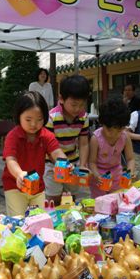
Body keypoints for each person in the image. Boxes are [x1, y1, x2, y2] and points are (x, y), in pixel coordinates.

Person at [2, 91, 68, 216]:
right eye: (28, 119)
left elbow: (56, 152)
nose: (33, 124)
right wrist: (19, 174)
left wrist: (64, 163)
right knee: (18, 221)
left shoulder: (46, 135)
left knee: (40, 219)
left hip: (37, 187)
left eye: (39, 120)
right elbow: (10, 160)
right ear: (19, 116)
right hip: (15, 186)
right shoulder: (13, 136)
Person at [44, 75, 91, 205]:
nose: (77, 109)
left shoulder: (84, 118)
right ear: (61, 99)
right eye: (74, 104)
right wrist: (62, 164)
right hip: (52, 164)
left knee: (73, 195)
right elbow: (49, 147)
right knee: (53, 197)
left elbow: (84, 143)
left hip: (73, 162)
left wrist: (82, 164)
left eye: (81, 105)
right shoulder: (51, 118)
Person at [88, 97, 135, 198]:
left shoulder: (125, 136)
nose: (113, 134)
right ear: (102, 124)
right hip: (99, 178)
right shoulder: (96, 139)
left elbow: (130, 158)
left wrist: (130, 172)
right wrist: (96, 175)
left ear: (123, 127)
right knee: (100, 203)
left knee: (117, 200)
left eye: (118, 130)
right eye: (109, 130)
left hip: (117, 175)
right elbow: (91, 162)